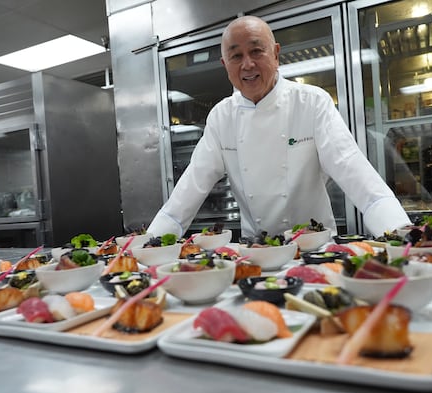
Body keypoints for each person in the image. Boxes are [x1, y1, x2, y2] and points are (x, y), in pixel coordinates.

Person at [148, 15, 410, 238]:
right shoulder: (221, 117)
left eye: (256, 51)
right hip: (257, 253)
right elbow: (189, 189)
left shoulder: (311, 102)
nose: (247, 64)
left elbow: (356, 173)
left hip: (313, 249)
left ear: (275, 53)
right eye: (236, 56)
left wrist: (400, 232)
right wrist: (149, 243)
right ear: (225, 65)